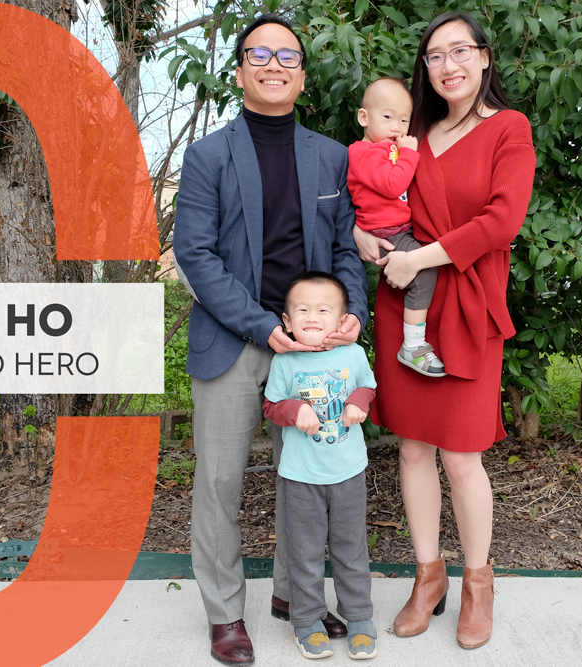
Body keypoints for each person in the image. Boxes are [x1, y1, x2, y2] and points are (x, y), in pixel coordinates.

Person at [172, 13, 369, 665]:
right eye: (259, 53)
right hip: (236, 340)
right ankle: (226, 613)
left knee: (305, 477)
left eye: (287, 56)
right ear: (239, 72)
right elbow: (196, 256)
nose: (273, 64)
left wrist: (352, 317)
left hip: (316, 346)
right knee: (221, 481)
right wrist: (263, 326)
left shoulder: (331, 156)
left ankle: (295, 597)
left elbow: (345, 247)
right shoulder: (207, 157)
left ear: (302, 76)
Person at [352, 11, 536, 650]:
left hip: (465, 301)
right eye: (434, 56)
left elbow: (502, 222)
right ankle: (427, 577)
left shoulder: (508, 129)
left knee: (461, 455)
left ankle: (477, 582)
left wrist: (420, 258)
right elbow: (368, 200)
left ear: (485, 58)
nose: (448, 65)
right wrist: (360, 235)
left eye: (460, 51)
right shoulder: (411, 131)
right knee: (410, 448)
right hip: (403, 303)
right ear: (423, 69)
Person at [262, 272, 378, 660]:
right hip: (300, 476)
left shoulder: (353, 354)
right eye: (303, 310)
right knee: (305, 552)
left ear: (342, 318)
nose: (313, 316)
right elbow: (271, 405)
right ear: (286, 320)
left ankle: (359, 617)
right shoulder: (284, 360)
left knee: (351, 548)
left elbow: (367, 385)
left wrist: (359, 403)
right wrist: (295, 411)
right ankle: (307, 620)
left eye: (324, 310)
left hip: (348, 472)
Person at [348, 77, 445, 378]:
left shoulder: (381, 149)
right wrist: (410, 154)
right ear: (364, 118)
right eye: (387, 117)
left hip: (395, 227)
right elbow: (393, 185)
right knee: (426, 269)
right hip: (386, 232)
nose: (397, 127)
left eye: (404, 120)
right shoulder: (364, 152)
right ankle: (413, 345)